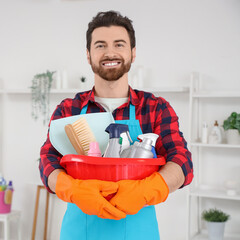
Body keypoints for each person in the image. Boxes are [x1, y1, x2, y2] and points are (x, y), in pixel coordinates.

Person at [39, 10, 193, 240]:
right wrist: (72, 189)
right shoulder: (69, 109)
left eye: (119, 44)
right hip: (81, 230)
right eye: (100, 45)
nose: (110, 52)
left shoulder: (155, 108)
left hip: (138, 230)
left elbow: (182, 162)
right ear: (88, 55)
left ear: (132, 53)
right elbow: (47, 160)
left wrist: (145, 191)